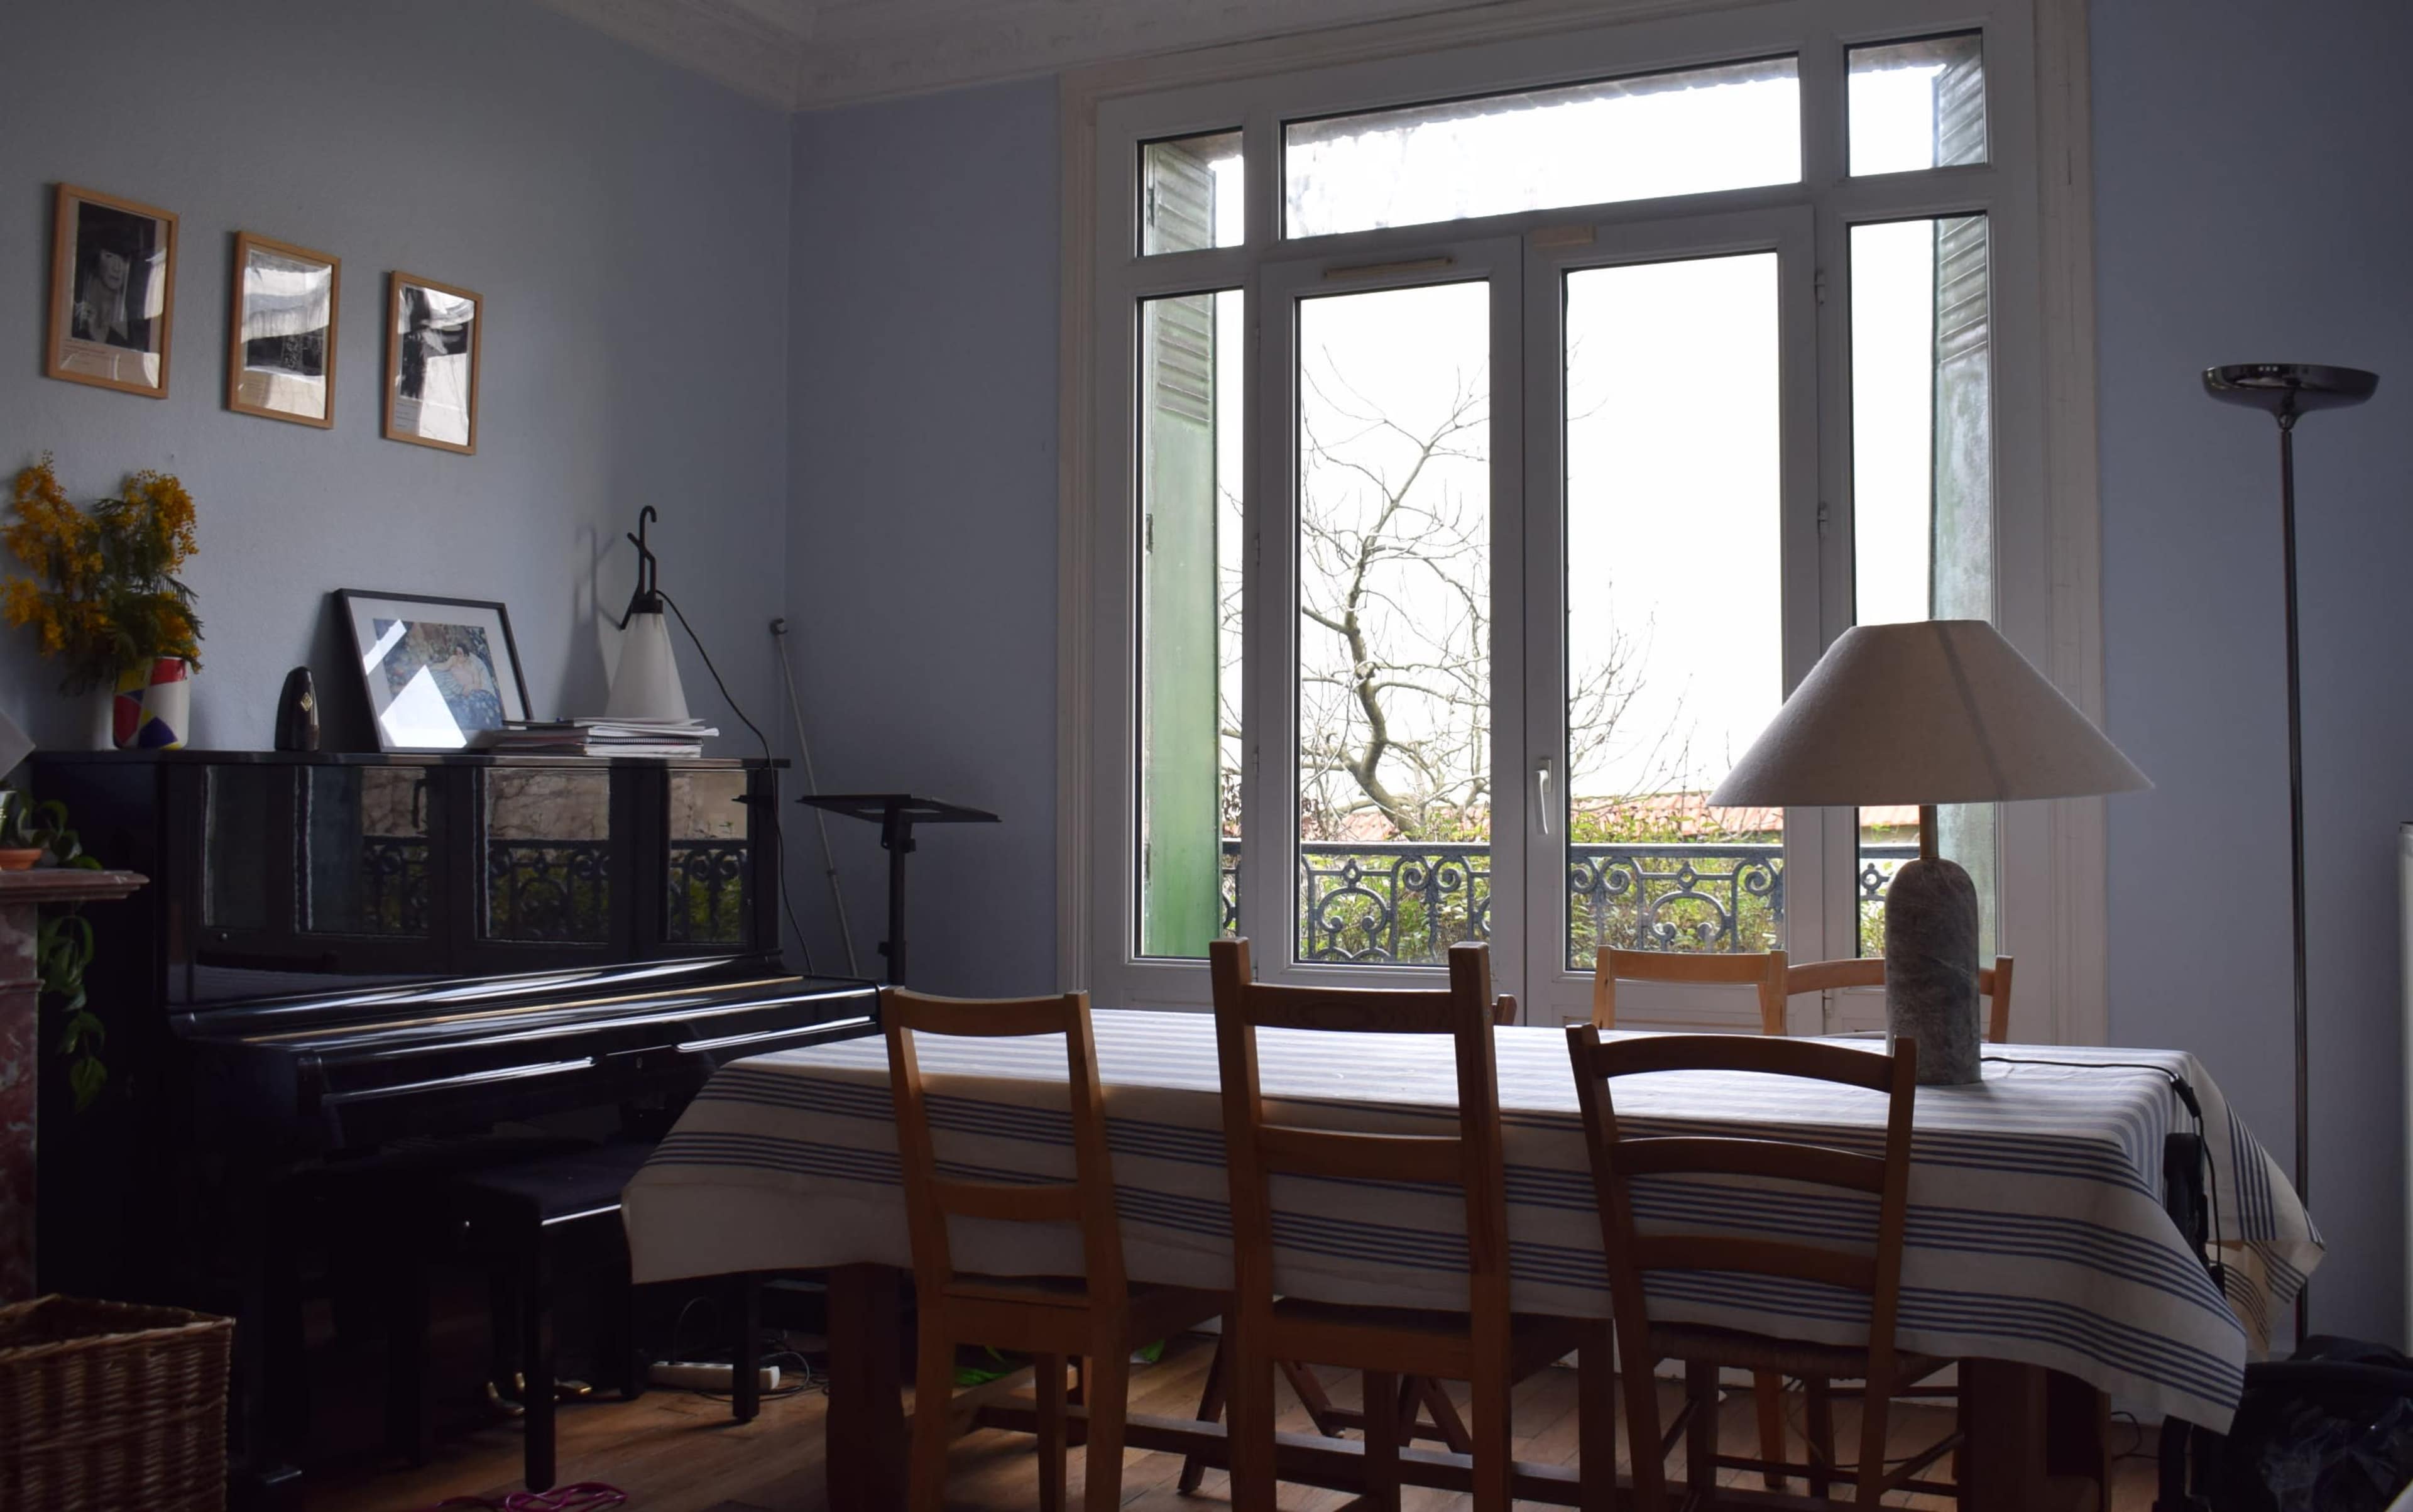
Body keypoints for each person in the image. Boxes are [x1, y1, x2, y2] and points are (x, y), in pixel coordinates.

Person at [70, 213, 151, 351]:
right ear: (97, 257)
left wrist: (101, 336)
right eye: (109, 256)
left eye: (124, 260)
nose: (117, 267)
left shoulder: (136, 312)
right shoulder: (74, 299)